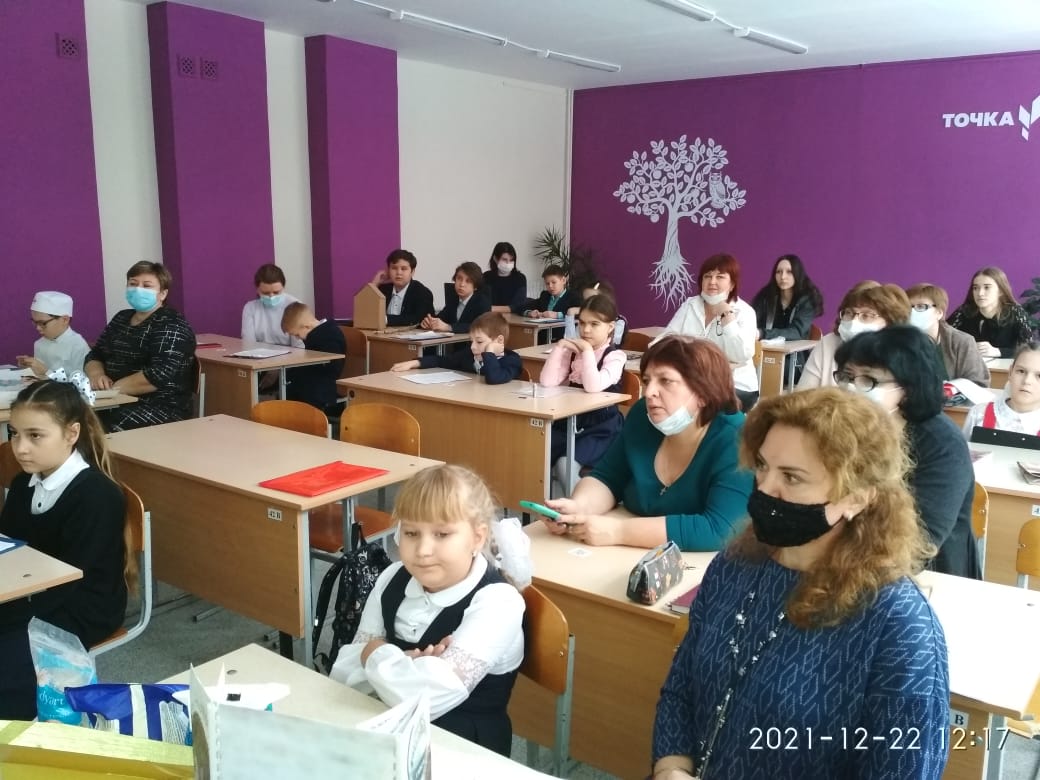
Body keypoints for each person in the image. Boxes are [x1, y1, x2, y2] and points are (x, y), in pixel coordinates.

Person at [652, 388, 949, 780]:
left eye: (792, 477)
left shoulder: (899, 625)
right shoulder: (733, 566)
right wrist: (671, 768)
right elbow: (681, 690)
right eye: (762, 466)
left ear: (856, 498)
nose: (764, 489)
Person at [330, 464, 526, 756]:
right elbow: (343, 672)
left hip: (463, 749)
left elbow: (428, 700)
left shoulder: (498, 602)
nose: (422, 550)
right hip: (385, 730)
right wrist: (406, 666)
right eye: (411, 532)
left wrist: (375, 653)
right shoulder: (391, 578)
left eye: (442, 534)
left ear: (477, 537)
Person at [543, 336, 752, 551]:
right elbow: (607, 478)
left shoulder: (737, 438)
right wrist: (579, 508)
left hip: (702, 564)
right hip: (631, 553)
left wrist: (619, 531)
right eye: (647, 380)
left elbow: (720, 529)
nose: (649, 392)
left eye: (666, 381)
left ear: (703, 393)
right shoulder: (643, 416)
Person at [0, 380, 130, 719]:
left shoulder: (97, 495)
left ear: (72, 434)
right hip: (32, 592)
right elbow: (11, 549)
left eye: (35, 436)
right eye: (14, 434)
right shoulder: (22, 484)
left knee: (8, 667)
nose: (20, 448)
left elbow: (73, 578)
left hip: (83, 604)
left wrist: (14, 613)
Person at [834, 325, 980, 579]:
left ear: (907, 389)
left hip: (926, 576)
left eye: (868, 380)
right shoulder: (844, 427)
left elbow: (921, 543)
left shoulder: (943, 445)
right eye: (846, 377)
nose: (851, 389)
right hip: (843, 558)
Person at [84, 261, 197, 431]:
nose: (138, 290)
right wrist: (96, 375)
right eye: (133, 284)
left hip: (161, 405)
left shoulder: (171, 324)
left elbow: (158, 375)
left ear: (163, 294)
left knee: (101, 425)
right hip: (113, 398)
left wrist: (111, 391)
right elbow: (95, 354)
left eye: (147, 286)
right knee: (69, 414)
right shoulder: (121, 318)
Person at [540, 295, 627, 493]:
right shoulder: (573, 353)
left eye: (594, 324)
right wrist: (560, 348)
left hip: (600, 427)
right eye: (582, 323)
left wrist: (587, 351)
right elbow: (547, 381)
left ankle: (580, 506)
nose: (586, 330)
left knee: (564, 463)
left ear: (610, 327)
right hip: (569, 421)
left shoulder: (615, 356)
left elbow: (593, 386)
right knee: (535, 448)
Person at [651, 254, 759, 410]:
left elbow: (741, 354)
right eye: (707, 276)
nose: (712, 282)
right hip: (692, 379)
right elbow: (668, 337)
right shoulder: (690, 305)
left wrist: (727, 319)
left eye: (720, 277)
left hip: (735, 385)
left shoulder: (745, 312)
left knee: (686, 399)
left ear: (732, 284)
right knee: (658, 396)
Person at [797, 281, 910, 390]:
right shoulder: (828, 344)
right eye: (849, 313)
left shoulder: (900, 356)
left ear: (890, 323)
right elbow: (803, 395)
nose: (854, 321)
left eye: (867, 315)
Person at [390, 312, 522, 384]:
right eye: (471, 341)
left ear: (499, 341)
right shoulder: (468, 356)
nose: (473, 347)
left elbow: (494, 378)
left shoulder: (511, 361)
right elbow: (443, 361)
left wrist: (490, 352)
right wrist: (415, 363)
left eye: (479, 342)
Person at [750, 254, 824, 381]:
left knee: (767, 368)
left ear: (797, 274)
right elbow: (752, 320)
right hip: (764, 353)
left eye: (789, 272)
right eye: (778, 272)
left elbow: (797, 332)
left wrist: (762, 333)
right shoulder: (766, 296)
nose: (783, 277)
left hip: (794, 360)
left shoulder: (807, 299)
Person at [906, 283, 989, 386]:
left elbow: (978, 383)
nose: (913, 312)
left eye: (921, 306)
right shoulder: (900, 341)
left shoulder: (962, 341)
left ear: (939, 313)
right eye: (908, 307)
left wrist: (951, 389)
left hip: (955, 396)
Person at [947, 266, 1032, 358]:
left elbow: (1028, 349)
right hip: (971, 365)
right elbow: (943, 337)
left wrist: (999, 351)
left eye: (987, 287)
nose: (980, 293)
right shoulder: (965, 311)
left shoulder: (1015, 312)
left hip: (1005, 366)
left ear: (1001, 291)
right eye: (975, 288)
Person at [280, 302, 346, 415]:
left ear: (307, 326)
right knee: (286, 380)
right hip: (312, 377)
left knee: (294, 386)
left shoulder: (330, 335)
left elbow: (333, 366)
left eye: (297, 335)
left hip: (324, 382)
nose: (298, 338)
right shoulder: (315, 333)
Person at [962, 342, 1040, 435]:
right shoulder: (979, 414)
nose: (1027, 381)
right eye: (1021, 371)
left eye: (1039, 376)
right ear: (1010, 372)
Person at [17, 291, 90, 378]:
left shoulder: (78, 346)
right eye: (35, 322)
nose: (38, 328)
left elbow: (83, 382)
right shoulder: (39, 344)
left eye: (43, 323)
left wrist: (46, 372)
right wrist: (30, 366)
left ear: (65, 320)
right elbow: (40, 376)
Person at [241, 263, 301, 347]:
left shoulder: (296, 307)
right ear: (257, 290)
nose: (271, 296)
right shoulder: (250, 308)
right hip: (258, 354)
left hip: (290, 354)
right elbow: (248, 343)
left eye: (276, 292)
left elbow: (299, 346)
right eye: (266, 293)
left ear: (283, 287)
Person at [372, 249, 435, 327]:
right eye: (394, 268)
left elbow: (417, 319)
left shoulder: (422, 293)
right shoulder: (382, 290)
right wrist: (375, 283)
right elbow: (365, 311)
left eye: (404, 269)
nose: (399, 273)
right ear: (388, 271)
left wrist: (385, 319)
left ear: (412, 272)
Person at [422, 262, 491, 334]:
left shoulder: (482, 302)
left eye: (468, 281)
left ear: (475, 287)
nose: (462, 284)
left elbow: (480, 326)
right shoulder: (453, 298)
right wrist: (430, 322)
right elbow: (442, 318)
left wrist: (449, 327)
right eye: (459, 278)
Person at [568, 278, 627, 346]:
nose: (588, 303)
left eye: (594, 300)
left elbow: (614, 345)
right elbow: (569, 342)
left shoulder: (619, 321)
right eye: (585, 300)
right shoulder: (584, 321)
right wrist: (570, 316)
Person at [482, 241, 527, 314]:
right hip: (490, 317)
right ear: (495, 259)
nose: (508, 263)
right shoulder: (486, 277)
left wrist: (490, 308)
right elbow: (483, 301)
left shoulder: (520, 278)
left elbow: (518, 306)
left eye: (511, 260)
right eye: (504, 259)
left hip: (513, 317)